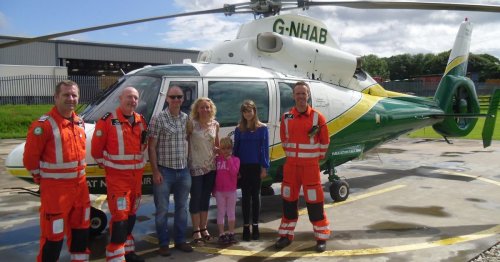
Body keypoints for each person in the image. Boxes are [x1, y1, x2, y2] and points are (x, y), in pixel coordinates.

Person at [23, 80, 90, 262]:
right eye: (66, 95)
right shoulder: (43, 125)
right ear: (56, 97)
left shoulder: (79, 122)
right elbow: (30, 160)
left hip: (80, 188)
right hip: (56, 192)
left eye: (74, 95)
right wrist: (42, 178)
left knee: (81, 231)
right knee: (54, 235)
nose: (71, 99)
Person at [91, 86, 147, 262]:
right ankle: (115, 256)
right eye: (129, 97)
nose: (133, 101)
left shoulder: (140, 120)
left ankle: (128, 252)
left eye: (136, 98)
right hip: (118, 180)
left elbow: (143, 146)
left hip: (135, 180)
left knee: (131, 216)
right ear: (120, 99)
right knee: (120, 218)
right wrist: (113, 168)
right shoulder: (107, 120)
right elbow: (96, 150)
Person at [274, 81, 330, 253]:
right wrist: (294, 157)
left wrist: (314, 160)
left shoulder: (317, 117)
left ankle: (321, 237)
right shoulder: (286, 117)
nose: (300, 97)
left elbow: (325, 142)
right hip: (291, 167)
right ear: (293, 96)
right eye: (297, 94)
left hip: (310, 168)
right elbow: (284, 140)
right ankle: (286, 235)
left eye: (303, 93)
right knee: (288, 201)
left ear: (308, 95)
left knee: (314, 202)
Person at [148, 86, 193, 256]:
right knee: (162, 209)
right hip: (164, 171)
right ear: (167, 99)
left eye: (179, 97)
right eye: (172, 97)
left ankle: (180, 240)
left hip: (183, 171)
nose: (176, 100)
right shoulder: (158, 119)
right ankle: (163, 244)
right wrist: (155, 171)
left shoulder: (186, 118)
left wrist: (188, 164)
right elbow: (151, 147)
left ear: (183, 99)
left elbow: (187, 141)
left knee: (182, 208)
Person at [233, 100, 270, 241]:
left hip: (256, 167)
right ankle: (246, 227)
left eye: (250, 110)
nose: (247, 113)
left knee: (256, 197)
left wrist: (264, 167)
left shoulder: (262, 128)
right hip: (243, 167)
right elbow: (236, 150)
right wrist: (236, 169)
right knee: (245, 198)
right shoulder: (239, 129)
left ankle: (255, 226)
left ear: (254, 111)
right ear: (242, 113)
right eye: (245, 111)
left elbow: (264, 150)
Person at [187, 97, 220, 245]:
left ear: (211, 109)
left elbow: (217, 145)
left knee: (205, 198)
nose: (205, 110)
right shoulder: (191, 124)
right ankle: (196, 230)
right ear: (197, 109)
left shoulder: (215, 124)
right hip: (195, 167)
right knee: (196, 198)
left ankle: (204, 228)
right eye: (202, 107)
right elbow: (185, 143)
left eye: (207, 107)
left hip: (211, 167)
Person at [214, 137, 240, 245]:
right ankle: (221, 234)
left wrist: (229, 160)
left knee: (231, 212)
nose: (226, 151)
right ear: (220, 149)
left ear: (232, 149)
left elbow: (234, 173)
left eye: (228, 148)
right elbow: (214, 176)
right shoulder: (217, 160)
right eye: (223, 148)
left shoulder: (236, 160)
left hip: (231, 191)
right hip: (219, 191)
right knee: (220, 212)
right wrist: (214, 190)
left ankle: (231, 233)